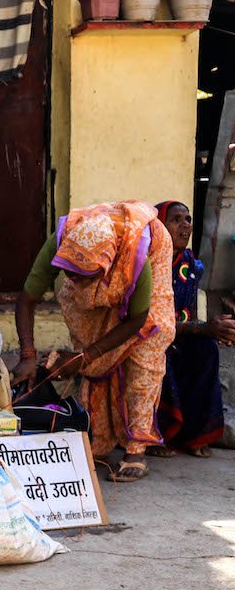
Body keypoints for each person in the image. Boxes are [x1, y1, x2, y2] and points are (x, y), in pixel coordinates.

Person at [13, 201, 175, 482]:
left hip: (149, 255)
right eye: (70, 273)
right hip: (102, 261)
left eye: (84, 276)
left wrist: (86, 356)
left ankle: (136, 449)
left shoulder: (138, 255)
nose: (74, 280)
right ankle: (100, 439)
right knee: (88, 335)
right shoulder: (61, 243)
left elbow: (137, 319)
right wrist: (28, 355)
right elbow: (27, 298)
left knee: (146, 348)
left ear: (108, 266)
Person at [151, 201, 231, 457]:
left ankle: (195, 435)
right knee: (158, 352)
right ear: (159, 227)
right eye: (176, 220)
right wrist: (203, 328)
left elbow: (191, 314)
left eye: (188, 219)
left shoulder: (189, 263)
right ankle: (156, 436)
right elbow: (149, 323)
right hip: (148, 336)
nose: (186, 225)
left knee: (206, 348)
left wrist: (214, 331)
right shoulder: (147, 264)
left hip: (179, 333)